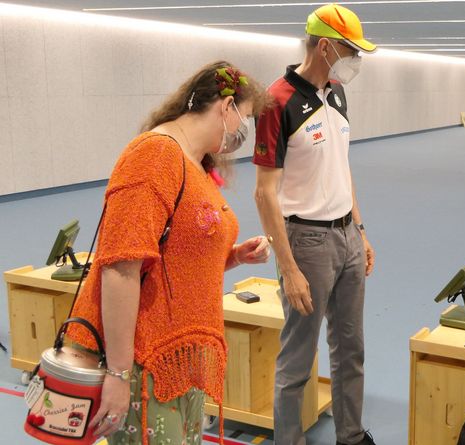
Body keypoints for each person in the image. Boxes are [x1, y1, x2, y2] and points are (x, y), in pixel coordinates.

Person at [67, 61, 272, 445]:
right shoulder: (155, 155)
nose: (241, 132)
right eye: (244, 118)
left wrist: (234, 256)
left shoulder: (192, 162)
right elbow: (120, 267)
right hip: (145, 361)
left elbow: (177, 256)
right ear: (225, 106)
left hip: (180, 358)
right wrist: (118, 374)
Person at [252, 4, 377, 445]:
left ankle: (351, 434)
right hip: (305, 240)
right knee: (298, 358)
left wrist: (359, 230)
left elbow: (342, 168)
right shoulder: (277, 101)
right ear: (325, 45)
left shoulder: (338, 92)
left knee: (350, 350)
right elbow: (264, 193)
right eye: (350, 49)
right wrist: (288, 269)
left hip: (346, 236)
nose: (355, 59)